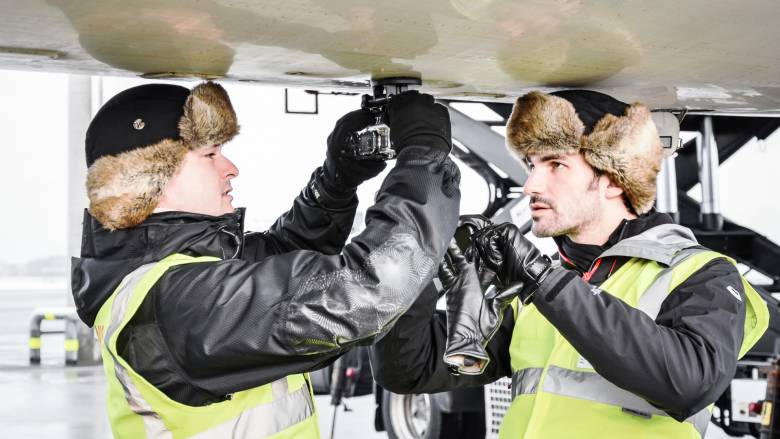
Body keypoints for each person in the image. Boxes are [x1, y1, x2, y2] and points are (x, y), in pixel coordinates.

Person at [370, 89, 769, 439]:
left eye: (555, 165)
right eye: (531, 165)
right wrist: (423, 269)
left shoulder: (702, 274)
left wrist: (543, 280)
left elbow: (689, 382)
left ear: (613, 178)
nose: (531, 185)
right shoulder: (535, 291)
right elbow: (408, 370)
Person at [71, 81, 460, 438]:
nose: (230, 169)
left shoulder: (170, 276)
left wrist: (336, 182)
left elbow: (285, 252)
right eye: (210, 154)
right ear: (150, 181)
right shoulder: (178, 305)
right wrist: (423, 159)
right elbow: (367, 289)